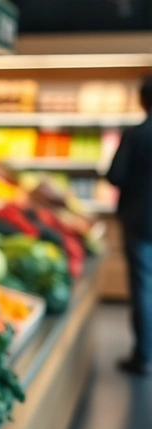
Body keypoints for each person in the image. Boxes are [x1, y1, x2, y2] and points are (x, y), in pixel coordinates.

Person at [107, 76, 152, 375]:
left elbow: (115, 175)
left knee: (142, 286)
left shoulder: (135, 135)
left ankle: (143, 356)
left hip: (139, 219)